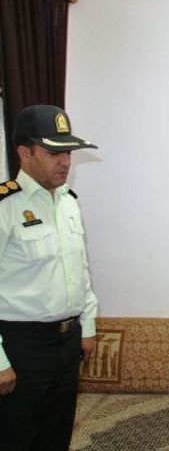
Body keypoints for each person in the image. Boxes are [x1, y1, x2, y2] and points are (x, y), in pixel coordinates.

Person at [0, 104, 99, 451]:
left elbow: (80, 268)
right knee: (16, 439)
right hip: (20, 344)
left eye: (68, 152)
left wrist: (87, 326)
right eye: (54, 153)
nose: (66, 162)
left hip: (67, 343)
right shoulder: (5, 206)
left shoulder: (68, 201)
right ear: (24, 153)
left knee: (56, 437)